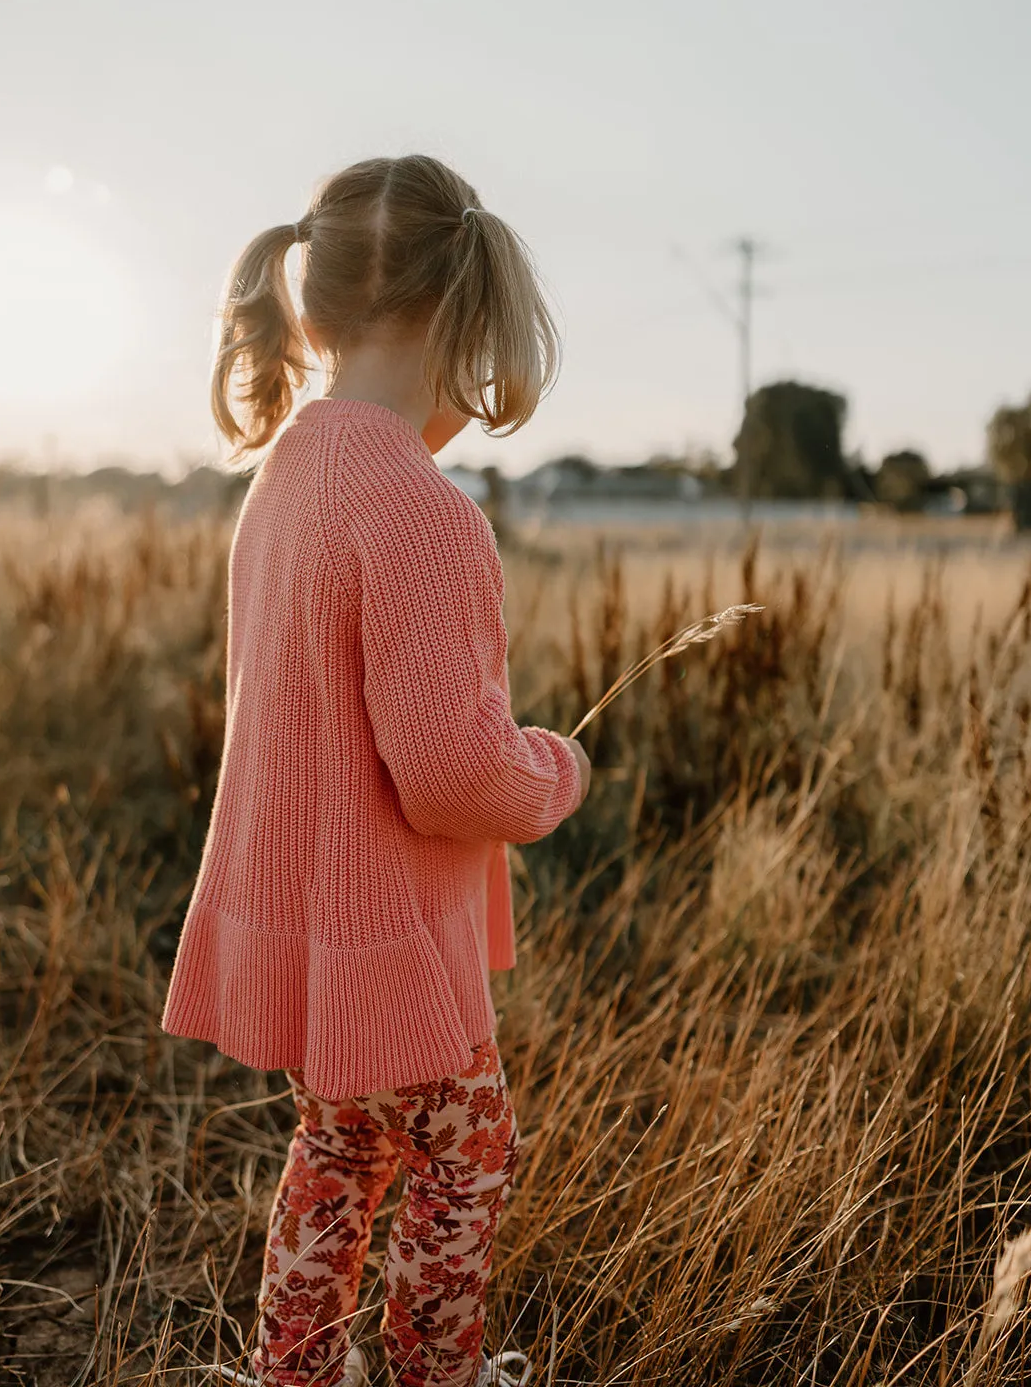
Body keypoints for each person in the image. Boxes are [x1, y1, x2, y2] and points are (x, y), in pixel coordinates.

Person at [159, 155, 592, 1387]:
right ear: (462, 320)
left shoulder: (286, 474)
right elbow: (454, 775)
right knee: (467, 1149)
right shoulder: (418, 510)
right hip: (388, 929)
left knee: (338, 1142)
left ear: (310, 309)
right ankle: (433, 1374)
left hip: (306, 913)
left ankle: (291, 1369)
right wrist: (552, 771)